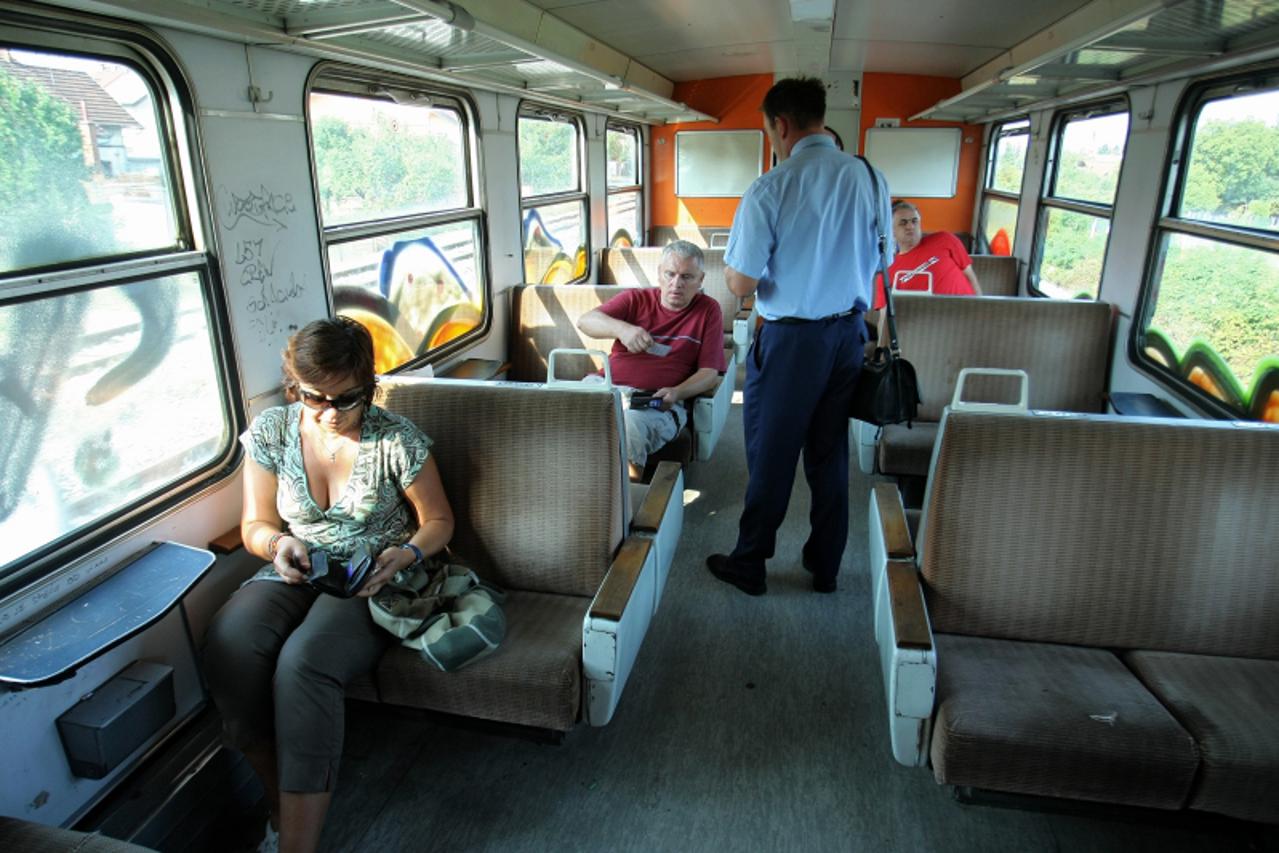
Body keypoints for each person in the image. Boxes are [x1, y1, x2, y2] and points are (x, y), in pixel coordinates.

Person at [203, 317, 454, 853]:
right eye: (314, 398)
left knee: (305, 661)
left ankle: (299, 844)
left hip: (376, 571)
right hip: (297, 564)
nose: (329, 413)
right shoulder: (272, 431)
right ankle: (280, 802)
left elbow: (439, 522)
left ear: (369, 386)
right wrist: (277, 546)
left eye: (346, 399)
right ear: (295, 387)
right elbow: (255, 525)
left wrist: (404, 553)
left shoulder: (396, 439)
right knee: (231, 643)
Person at [707, 76, 891, 596]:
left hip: (792, 342)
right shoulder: (872, 178)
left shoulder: (773, 186)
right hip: (848, 337)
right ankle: (825, 565)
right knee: (829, 454)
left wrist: (737, 274)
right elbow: (882, 261)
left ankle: (750, 563)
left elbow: (742, 281)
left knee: (773, 452)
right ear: (821, 118)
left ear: (780, 125)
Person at [576, 240, 726, 479]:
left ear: (701, 280)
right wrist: (622, 329)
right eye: (670, 274)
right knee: (560, 412)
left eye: (687, 277)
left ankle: (622, 506)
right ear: (659, 274)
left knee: (627, 428)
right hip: (604, 386)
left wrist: (677, 393)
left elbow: (709, 373)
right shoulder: (636, 299)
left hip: (656, 401)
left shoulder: (708, 310)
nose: (676, 284)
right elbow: (585, 321)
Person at [872, 200, 982, 309]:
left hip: (968, 312)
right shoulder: (886, 271)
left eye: (914, 221)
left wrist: (981, 306)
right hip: (929, 323)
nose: (910, 226)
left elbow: (970, 277)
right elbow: (884, 314)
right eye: (903, 222)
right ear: (891, 231)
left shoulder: (945, 239)